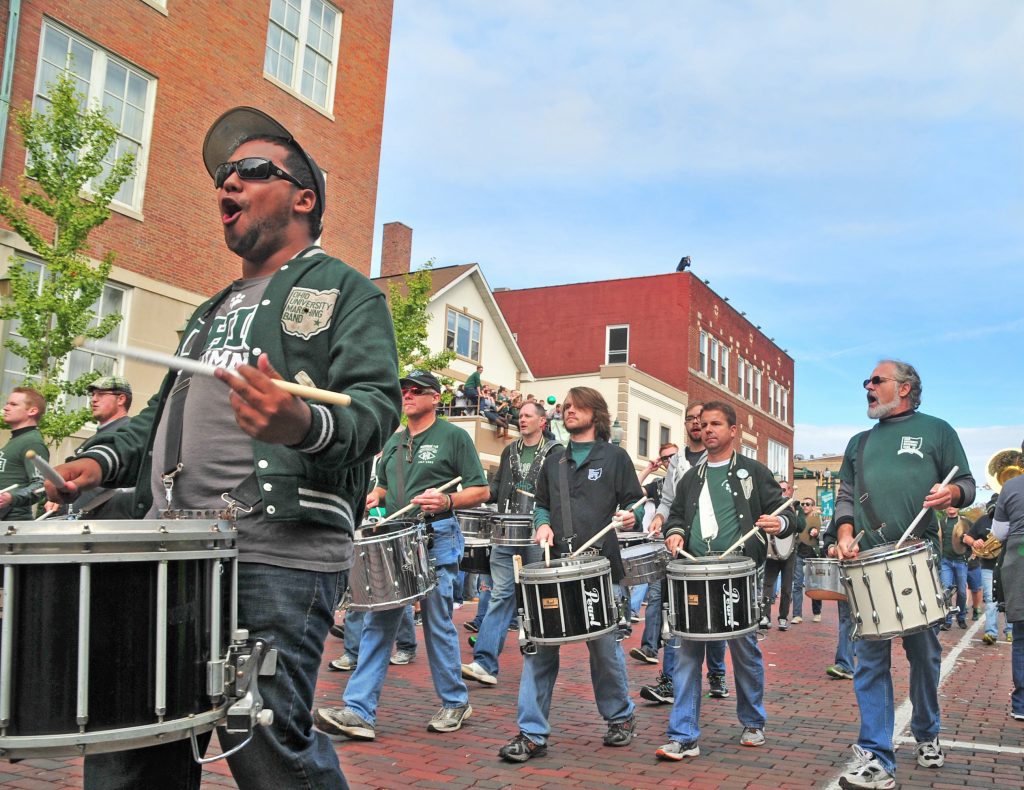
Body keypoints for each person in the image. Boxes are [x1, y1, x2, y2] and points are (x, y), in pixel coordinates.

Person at [44, 106, 402, 790]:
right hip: (168, 551)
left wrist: (299, 424)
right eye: (223, 175)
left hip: (274, 555)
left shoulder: (346, 292)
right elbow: (157, 415)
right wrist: (97, 460)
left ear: (304, 196)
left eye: (251, 170)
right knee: (133, 741)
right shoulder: (210, 310)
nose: (226, 184)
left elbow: (374, 411)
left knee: (267, 749)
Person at [314, 370, 489, 741]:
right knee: (380, 622)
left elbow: (480, 489)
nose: (407, 395)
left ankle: (456, 701)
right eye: (403, 391)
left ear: (435, 398)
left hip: (435, 537)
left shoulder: (454, 437)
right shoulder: (393, 443)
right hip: (395, 537)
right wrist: (375, 495)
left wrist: (448, 500)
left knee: (438, 622)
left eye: (416, 391)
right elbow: (384, 484)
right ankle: (359, 711)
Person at [828, 359, 975, 789]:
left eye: (877, 380)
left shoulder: (937, 430)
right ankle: (876, 754)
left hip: (916, 557)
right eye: (867, 381)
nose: (868, 387)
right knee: (869, 660)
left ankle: (927, 731)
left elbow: (965, 482)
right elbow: (846, 497)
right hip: (869, 561)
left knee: (924, 657)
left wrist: (951, 491)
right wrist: (845, 532)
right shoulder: (857, 444)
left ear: (905, 388)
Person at [498, 386, 643, 762]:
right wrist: (542, 524)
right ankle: (531, 734)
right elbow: (542, 504)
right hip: (555, 565)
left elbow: (635, 504)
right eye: (566, 406)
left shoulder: (615, 457)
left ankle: (620, 716)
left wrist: (630, 517)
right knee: (540, 649)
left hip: (600, 568)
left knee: (604, 649)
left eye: (578, 406)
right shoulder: (554, 459)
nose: (569, 411)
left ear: (596, 413)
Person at [655, 401, 794, 761]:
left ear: (734, 431)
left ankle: (753, 722)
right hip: (696, 571)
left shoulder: (753, 472)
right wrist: (674, 534)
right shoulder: (691, 477)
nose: (708, 429)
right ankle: (684, 735)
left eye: (716, 423)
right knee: (687, 652)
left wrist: (779, 524)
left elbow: (785, 512)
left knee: (744, 651)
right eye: (704, 424)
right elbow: (678, 516)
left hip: (738, 571)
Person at [462, 400, 561, 686]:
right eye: (520, 416)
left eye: (528, 416)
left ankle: (540, 661)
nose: (522, 420)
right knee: (500, 594)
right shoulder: (509, 451)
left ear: (542, 422)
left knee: (539, 599)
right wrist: (475, 495)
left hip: (536, 534)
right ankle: (484, 662)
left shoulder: (556, 453)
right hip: (505, 532)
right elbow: (495, 489)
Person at [638, 402, 730, 704]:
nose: (696, 424)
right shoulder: (677, 459)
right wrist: (661, 518)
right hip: (677, 549)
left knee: (712, 613)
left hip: (707, 549)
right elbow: (667, 500)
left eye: (700, 420)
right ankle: (668, 680)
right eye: (690, 419)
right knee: (674, 611)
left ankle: (716, 673)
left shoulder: (716, 457)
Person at [47, 376, 135, 519]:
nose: (94, 399)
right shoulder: (93, 440)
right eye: (93, 395)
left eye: (101, 394)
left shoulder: (129, 434)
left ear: (121, 399)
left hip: (106, 526)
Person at [991, 442, 1024, 722]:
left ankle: (1021, 703)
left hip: (1019, 557)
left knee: (1022, 636)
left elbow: (999, 533)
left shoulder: (1010, 488)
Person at [968, 495, 1012, 644]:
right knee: (990, 599)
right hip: (988, 566)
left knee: (1009, 599)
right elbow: (966, 537)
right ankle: (990, 633)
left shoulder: (1012, 521)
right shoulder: (983, 520)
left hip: (1008, 566)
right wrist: (975, 541)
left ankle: (1011, 631)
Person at [0, 387, 48, 519]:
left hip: (12, 526)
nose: (6, 408)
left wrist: (11, 497)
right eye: (7, 403)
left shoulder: (32, 443)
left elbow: (41, 485)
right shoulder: (17, 440)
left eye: (13, 404)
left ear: (32, 411)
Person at [760, 479, 798, 630]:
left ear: (789, 491)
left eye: (784, 490)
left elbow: (800, 526)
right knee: (768, 585)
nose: (781, 493)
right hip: (772, 552)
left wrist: (793, 512)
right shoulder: (772, 506)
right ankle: (765, 616)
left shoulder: (796, 506)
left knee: (787, 587)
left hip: (790, 552)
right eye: (779, 490)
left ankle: (783, 617)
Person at [791, 497, 823, 624]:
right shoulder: (799, 519)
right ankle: (797, 615)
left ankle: (817, 612)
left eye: (808, 504)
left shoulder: (816, 518)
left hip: (813, 556)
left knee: (815, 585)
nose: (804, 506)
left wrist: (816, 532)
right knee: (797, 585)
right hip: (799, 555)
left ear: (813, 506)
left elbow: (817, 532)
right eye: (803, 504)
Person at [938, 506, 969, 630]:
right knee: (946, 591)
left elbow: (973, 537)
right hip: (945, 561)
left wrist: (968, 555)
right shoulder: (941, 522)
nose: (951, 507)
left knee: (961, 591)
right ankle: (948, 620)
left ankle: (961, 617)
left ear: (958, 507)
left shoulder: (965, 522)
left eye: (954, 504)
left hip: (961, 561)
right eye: (949, 505)